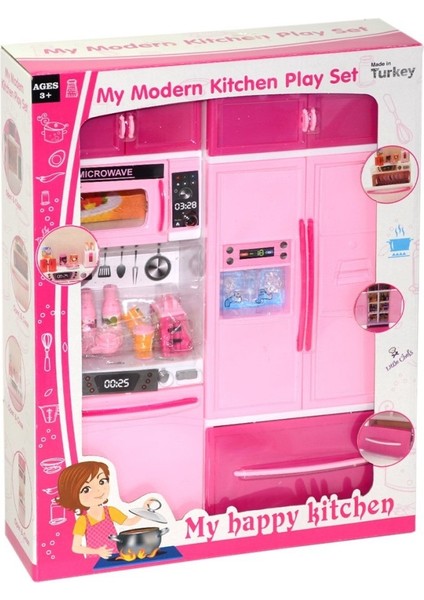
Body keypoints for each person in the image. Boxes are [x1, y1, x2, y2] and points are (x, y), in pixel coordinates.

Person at [56, 460, 144, 559]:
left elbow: (130, 522)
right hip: (95, 560)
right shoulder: (83, 520)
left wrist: (144, 510)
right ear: (73, 496)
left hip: (116, 556)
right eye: (86, 489)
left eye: (101, 482)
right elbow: (76, 547)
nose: (98, 490)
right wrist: (97, 551)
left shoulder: (110, 511)